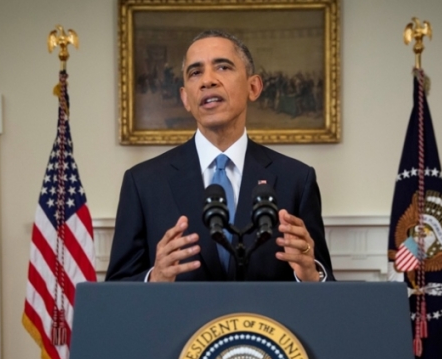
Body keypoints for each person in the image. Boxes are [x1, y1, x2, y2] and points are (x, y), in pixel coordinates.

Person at [106, 30, 333, 282]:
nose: (207, 81)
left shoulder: (297, 180)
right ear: (185, 98)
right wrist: (154, 278)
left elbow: (325, 293)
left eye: (223, 67)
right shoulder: (143, 183)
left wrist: (311, 275)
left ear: (253, 87)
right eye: (195, 73)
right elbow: (116, 289)